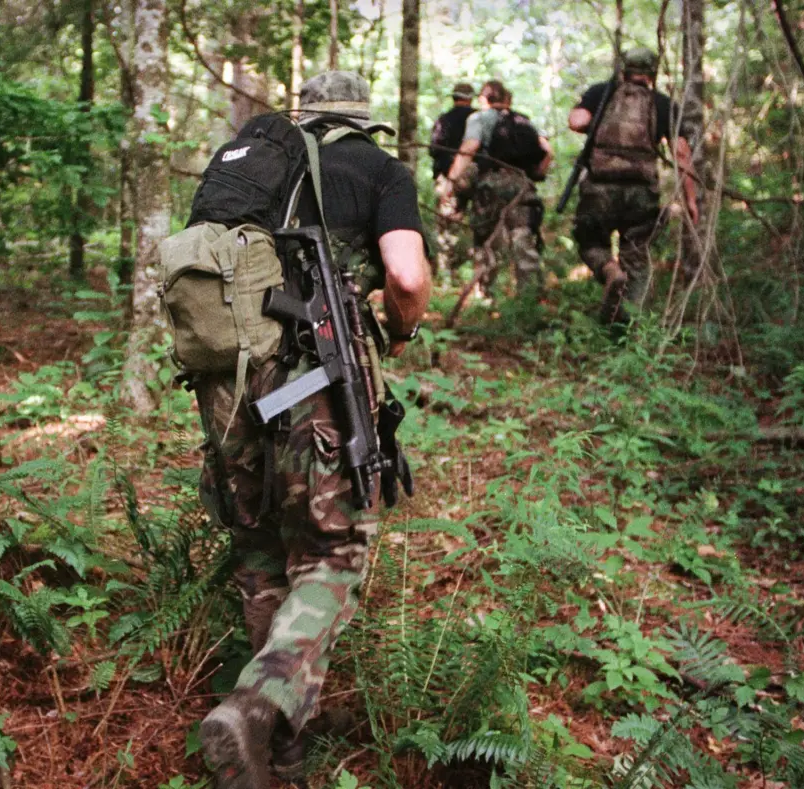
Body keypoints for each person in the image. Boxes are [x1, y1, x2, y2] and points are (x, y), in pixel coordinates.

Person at [196, 71, 431, 789]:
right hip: (314, 374)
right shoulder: (379, 169)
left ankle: (281, 749)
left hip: (226, 377)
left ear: (306, 113)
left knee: (261, 539)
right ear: (364, 120)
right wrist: (400, 328)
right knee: (333, 549)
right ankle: (260, 702)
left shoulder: (247, 161)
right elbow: (407, 274)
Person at [568, 46, 700, 322]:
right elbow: (682, 155)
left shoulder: (602, 93)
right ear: (652, 72)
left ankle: (608, 270)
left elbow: (576, 121)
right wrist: (690, 199)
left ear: (623, 69)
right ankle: (626, 325)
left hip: (600, 188)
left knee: (589, 239)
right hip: (641, 192)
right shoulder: (662, 104)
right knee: (637, 254)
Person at [442, 79, 553, 296]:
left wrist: (452, 182)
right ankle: (529, 297)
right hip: (522, 186)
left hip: (490, 185)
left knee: (486, 239)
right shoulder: (524, 121)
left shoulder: (479, 118)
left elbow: (469, 148)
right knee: (522, 237)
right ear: (507, 99)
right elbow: (547, 152)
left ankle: (486, 294)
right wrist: (535, 175)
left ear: (484, 99)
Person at [429, 82, 476, 281]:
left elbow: (433, 149)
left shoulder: (444, 120)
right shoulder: (478, 119)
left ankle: (449, 275)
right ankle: (479, 277)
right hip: (477, 179)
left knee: (447, 226)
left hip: (447, 178)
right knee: (479, 226)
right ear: (470, 98)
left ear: (454, 97)